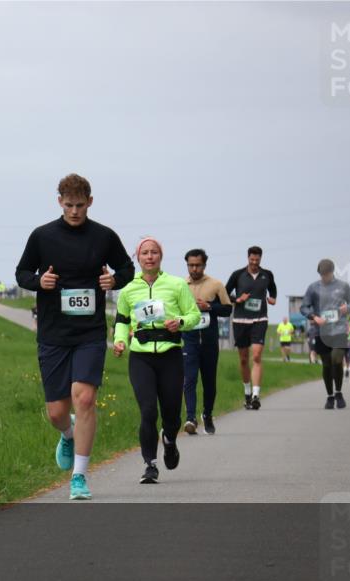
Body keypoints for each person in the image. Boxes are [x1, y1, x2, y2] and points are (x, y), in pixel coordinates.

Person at [16, 173, 135, 500]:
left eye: (80, 205)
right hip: (53, 333)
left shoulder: (104, 236)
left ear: (90, 202)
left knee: (84, 398)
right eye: (68, 205)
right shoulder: (42, 236)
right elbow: (22, 273)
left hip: (90, 332)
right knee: (57, 411)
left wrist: (115, 281)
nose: (74, 211)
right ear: (59, 202)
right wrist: (40, 282)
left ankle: (79, 477)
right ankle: (67, 434)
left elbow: (127, 269)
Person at [114, 237, 201, 484]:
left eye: (154, 252)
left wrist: (181, 322)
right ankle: (149, 464)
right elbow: (121, 320)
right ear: (138, 258)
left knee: (172, 413)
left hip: (170, 354)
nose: (149, 256)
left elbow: (193, 315)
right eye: (145, 253)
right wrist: (120, 341)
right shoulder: (129, 289)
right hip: (141, 356)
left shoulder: (176, 285)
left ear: (160, 257)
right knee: (148, 411)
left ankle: (170, 441)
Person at [181, 248, 232, 436]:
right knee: (189, 379)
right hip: (189, 338)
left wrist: (209, 307)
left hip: (209, 340)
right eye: (191, 265)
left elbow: (227, 309)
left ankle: (208, 414)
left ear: (204, 265)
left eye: (198, 265)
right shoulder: (180, 285)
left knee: (209, 382)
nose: (194, 269)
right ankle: (190, 418)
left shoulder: (216, 284)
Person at [226, 246, 277, 410]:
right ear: (248, 258)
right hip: (240, 320)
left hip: (259, 319)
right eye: (252, 259)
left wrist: (273, 298)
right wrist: (238, 299)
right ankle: (247, 392)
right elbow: (225, 293)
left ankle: (256, 395)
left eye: (257, 260)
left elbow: (273, 289)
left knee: (256, 356)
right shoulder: (238, 275)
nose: (254, 262)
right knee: (243, 359)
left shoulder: (267, 274)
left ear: (261, 259)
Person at [300, 259, 350, 409]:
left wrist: (346, 308)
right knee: (326, 364)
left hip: (339, 329)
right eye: (321, 274)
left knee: (337, 359)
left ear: (332, 272)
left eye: (326, 274)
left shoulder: (343, 286)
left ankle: (339, 392)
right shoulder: (313, 288)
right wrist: (314, 317)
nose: (324, 277)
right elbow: (303, 307)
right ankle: (330, 396)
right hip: (321, 331)